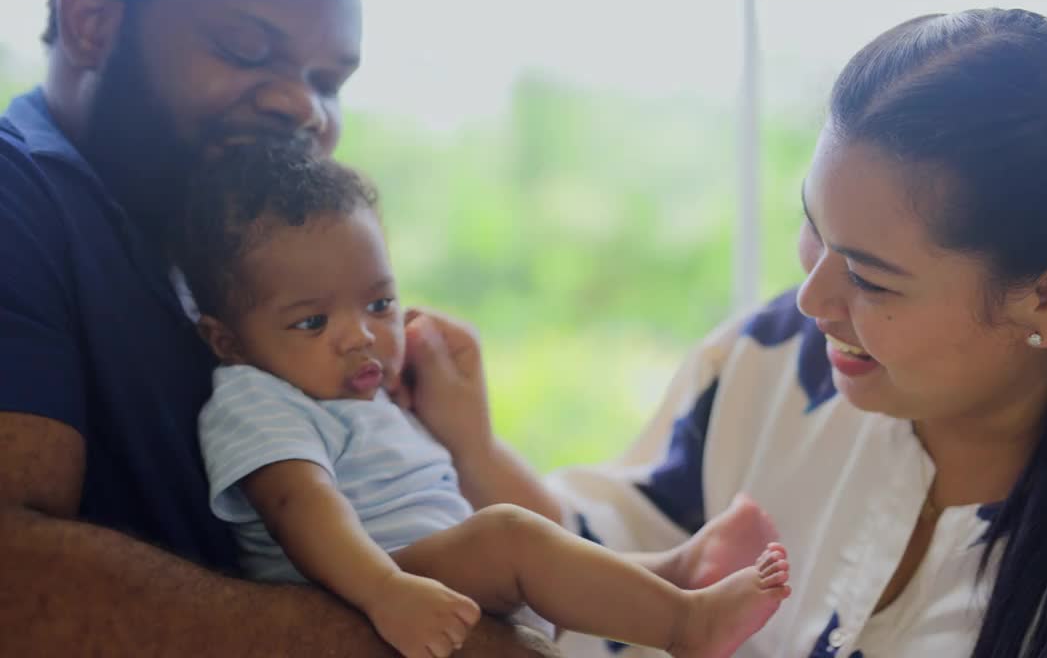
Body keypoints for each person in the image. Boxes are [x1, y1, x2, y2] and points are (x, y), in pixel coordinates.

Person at [419, 9, 1047, 657]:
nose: (811, 298)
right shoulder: (770, 363)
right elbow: (605, 562)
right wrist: (470, 445)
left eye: (869, 276)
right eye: (813, 232)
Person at [0, 0, 556, 654]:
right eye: (245, 48)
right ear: (91, 22)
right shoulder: (22, 200)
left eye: (329, 80)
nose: (302, 107)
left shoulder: (232, 251)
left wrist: (465, 443)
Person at [180, 143, 792, 658]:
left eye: (379, 304)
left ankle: (668, 575)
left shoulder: (372, 402)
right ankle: (687, 625)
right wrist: (383, 591)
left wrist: (465, 440)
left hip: (420, 573)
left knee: (522, 542)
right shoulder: (256, 396)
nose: (361, 336)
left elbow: (536, 524)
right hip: (358, 586)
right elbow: (299, 505)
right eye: (312, 322)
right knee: (505, 538)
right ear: (227, 340)